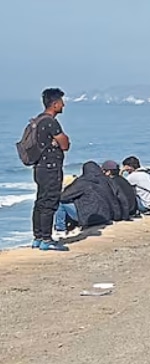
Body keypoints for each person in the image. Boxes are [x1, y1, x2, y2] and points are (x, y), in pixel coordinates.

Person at [26, 88, 71, 251]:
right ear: (54, 104)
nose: (63, 105)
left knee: (40, 200)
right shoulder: (50, 122)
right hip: (50, 167)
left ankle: (38, 237)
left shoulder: (38, 120)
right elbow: (65, 144)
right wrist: (62, 140)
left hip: (39, 167)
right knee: (50, 201)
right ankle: (46, 239)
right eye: (61, 102)